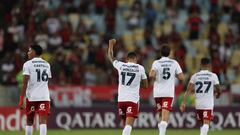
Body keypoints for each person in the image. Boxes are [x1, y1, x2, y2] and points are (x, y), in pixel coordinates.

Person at [107, 39, 148, 135]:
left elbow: (110, 57)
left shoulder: (121, 65)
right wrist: (137, 82)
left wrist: (110, 45)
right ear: (136, 59)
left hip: (121, 100)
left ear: (127, 59)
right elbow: (146, 85)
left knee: (125, 125)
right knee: (129, 125)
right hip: (132, 99)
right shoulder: (140, 68)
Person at [149, 44, 184, 135]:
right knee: (165, 115)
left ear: (161, 53)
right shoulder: (174, 63)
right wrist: (173, 74)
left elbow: (151, 75)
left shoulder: (156, 62)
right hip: (168, 92)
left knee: (161, 114)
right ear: (170, 53)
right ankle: (162, 133)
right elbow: (181, 77)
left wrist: (155, 74)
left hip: (157, 92)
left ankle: (161, 131)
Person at [180, 57, 221, 135]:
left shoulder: (195, 76)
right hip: (208, 104)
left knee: (203, 124)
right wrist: (218, 94)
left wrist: (183, 103)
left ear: (200, 64)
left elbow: (188, 90)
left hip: (198, 104)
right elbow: (218, 88)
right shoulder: (213, 76)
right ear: (209, 65)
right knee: (206, 124)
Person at [18, 44, 52, 135]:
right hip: (44, 97)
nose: (28, 53)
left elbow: (25, 83)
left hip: (32, 97)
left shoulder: (27, 64)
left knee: (29, 121)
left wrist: (21, 99)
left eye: (29, 51)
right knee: (43, 121)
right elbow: (47, 81)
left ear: (34, 52)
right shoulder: (47, 64)